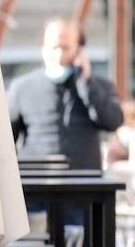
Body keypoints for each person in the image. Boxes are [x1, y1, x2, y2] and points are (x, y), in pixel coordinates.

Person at [7, 18, 123, 170]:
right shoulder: (22, 88)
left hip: (85, 183)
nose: (59, 54)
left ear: (79, 50)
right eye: (54, 47)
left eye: (66, 47)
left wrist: (86, 83)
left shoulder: (98, 86)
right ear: (43, 48)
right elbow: (6, 140)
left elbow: (113, 121)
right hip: (36, 183)